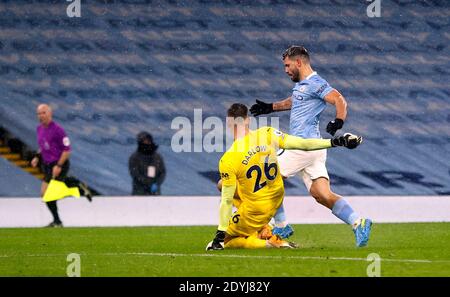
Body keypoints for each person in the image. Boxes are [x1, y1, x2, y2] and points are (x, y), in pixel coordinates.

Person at [249, 45, 372, 247]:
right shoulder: (303, 85)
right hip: (313, 149)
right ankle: (358, 222)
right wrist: (271, 107)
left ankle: (280, 225)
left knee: (266, 177)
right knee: (322, 195)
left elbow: (339, 99)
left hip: (302, 146)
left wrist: (339, 121)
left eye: (288, 65)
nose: (285, 69)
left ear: (299, 62)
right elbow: (296, 101)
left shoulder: (316, 83)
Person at [206, 103, 362, 250]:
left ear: (228, 123)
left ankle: (270, 243)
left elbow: (226, 201)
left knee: (226, 240)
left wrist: (220, 235)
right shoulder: (267, 133)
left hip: (257, 208)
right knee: (222, 184)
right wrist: (335, 142)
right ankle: (267, 228)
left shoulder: (228, 158)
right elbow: (304, 144)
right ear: (248, 120)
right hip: (276, 198)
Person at [31, 103, 92, 228]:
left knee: (48, 194)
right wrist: (37, 157)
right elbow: (43, 146)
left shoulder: (58, 130)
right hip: (47, 165)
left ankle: (57, 221)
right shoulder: (39, 129)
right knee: (45, 194)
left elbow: (67, 150)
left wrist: (58, 165)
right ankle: (78, 187)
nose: (41, 115)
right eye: (39, 113)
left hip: (60, 163)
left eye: (43, 112)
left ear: (50, 113)